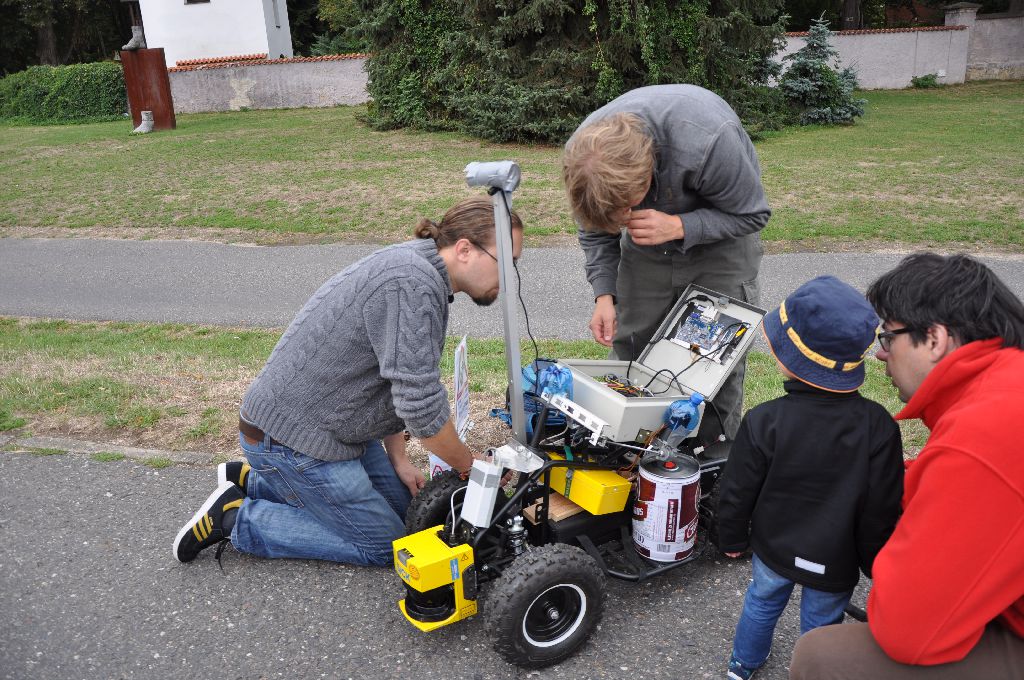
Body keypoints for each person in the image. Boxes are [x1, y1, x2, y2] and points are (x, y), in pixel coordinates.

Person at [172, 196, 524, 567]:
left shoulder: (419, 267)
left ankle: (255, 481)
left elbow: (394, 381)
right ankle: (235, 518)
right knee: (390, 547)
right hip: (292, 439)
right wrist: (471, 465)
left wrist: (399, 458)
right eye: (506, 262)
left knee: (407, 515)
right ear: (465, 250)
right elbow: (421, 406)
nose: (510, 276)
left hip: (329, 428)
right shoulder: (413, 284)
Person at [790, 253, 1024, 679]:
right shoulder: (1005, 385)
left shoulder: (983, 431)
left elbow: (909, 634)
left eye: (888, 338)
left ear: (934, 338)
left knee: (822, 657)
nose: (881, 355)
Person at [717, 275, 905, 680]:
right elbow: (882, 508)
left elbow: (736, 490)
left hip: (773, 548)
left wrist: (730, 538)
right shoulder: (879, 427)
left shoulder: (764, 420)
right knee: (822, 625)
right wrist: (874, 561)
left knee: (761, 604)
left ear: (791, 358)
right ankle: (815, 672)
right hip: (836, 558)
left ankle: (742, 665)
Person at [563, 84, 771, 438]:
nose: (624, 217)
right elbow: (595, 229)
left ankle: (709, 458)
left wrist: (679, 226)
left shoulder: (709, 140)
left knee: (711, 364)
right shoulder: (584, 157)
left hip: (722, 244)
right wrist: (604, 295)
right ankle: (625, 449)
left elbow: (752, 214)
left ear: (647, 174)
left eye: (628, 208)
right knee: (631, 352)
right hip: (646, 248)